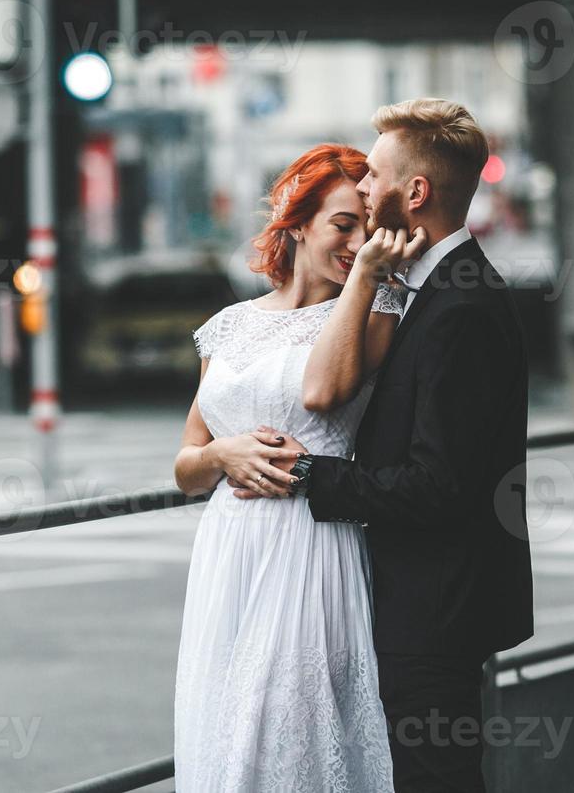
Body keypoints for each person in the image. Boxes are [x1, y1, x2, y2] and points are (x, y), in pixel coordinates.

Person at [249, 99, 535, 792]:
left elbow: (439, 485)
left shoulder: (459, 308)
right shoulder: (437, 287)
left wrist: (311, 473)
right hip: (429, 600)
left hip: (435, 609)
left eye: (375, 175)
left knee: (437, 779)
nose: (365, 187)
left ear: (416, 192)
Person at [172, 142, 424, 792]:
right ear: (299, 220)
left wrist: (367, 274)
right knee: (224, 726)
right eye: (344, 224)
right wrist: (221, 454)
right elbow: (184, 466)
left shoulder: (376, 312)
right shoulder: (226, 328)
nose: (357, 240)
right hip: (230, 547)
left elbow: (323, 393)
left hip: (310, 541)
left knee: (283, 735)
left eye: (369, 227)